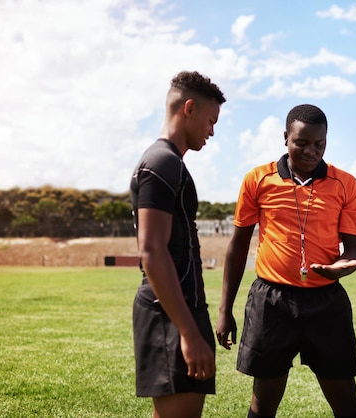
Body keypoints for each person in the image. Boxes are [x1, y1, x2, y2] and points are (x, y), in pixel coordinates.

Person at [216, 104, 356, 418]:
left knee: (346, 403)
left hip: (327, 301)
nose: (311, 151)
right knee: (263, 403)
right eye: (302, 142)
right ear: (286, 138)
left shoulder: (346, 184)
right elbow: (238, 245)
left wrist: (342, 266)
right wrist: (224, 310)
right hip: (271, 301)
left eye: (319, 144)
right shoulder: (258, 179)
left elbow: (354, 249)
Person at [130, 70, 226, 418]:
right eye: (211, 120)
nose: (212, 131)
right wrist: (188, 333)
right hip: (169, 314)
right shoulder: (161, 163)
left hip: (181, 309)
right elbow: (152, 252)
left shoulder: (171, 163)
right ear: (189, 108)